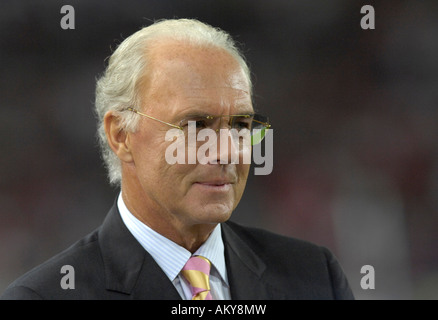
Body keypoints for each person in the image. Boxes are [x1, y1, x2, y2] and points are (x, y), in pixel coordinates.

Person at [1, 19, 354, 300]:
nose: (227, 150)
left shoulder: (315, 276)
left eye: (241, 125)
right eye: (196, 125)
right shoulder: (45, 296)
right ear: (121, 134)